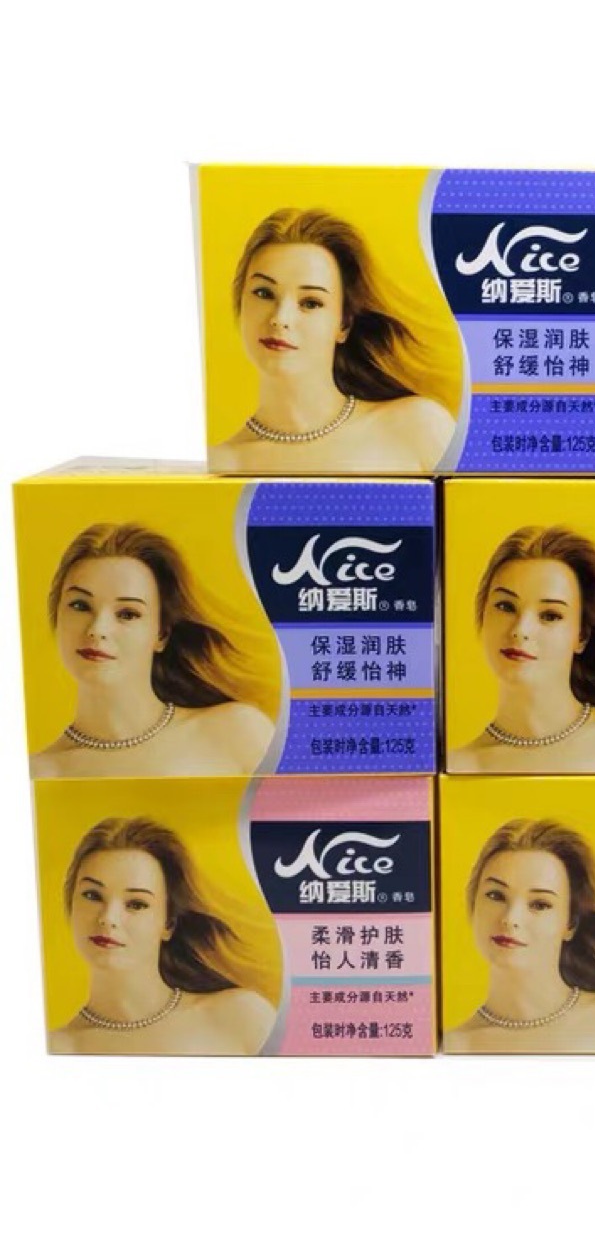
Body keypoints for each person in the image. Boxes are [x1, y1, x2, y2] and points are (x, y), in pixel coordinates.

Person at [211, 207, 456, 474]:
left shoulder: (419, 427)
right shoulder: (221, 464)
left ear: (344, 324)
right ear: (240, 303)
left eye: (310, 303)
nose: (280, 318)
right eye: (264, 293)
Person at [33, 522, 276, 778]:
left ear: (161, 634)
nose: (97, 629)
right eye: (80, 606)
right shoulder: (39, 772)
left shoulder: (238, 732)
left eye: (128, 614)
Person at [448, 525, 595, 773]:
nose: (521, 629)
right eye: (506, 607)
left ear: (581, 636)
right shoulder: (461, 765)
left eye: (550, 615)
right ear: (482, 615)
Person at [49, 817, 278, 1055]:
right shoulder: (58, 1047)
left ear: (168, 923)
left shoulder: (242, 1018)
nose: (108, 918)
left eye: (136, 904)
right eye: (92, 896)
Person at [446, 819, 595, 1053]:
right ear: (473, 904)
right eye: (496, 896)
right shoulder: (453, 1045)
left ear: (570, 924)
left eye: (540, 904)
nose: (510, 918)